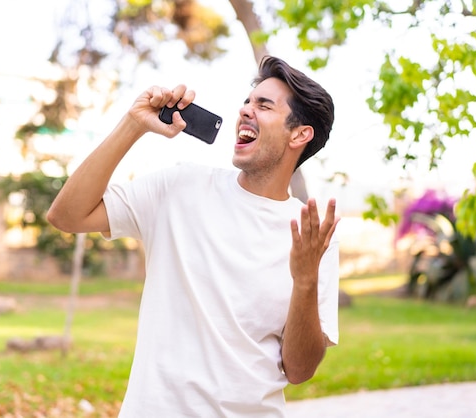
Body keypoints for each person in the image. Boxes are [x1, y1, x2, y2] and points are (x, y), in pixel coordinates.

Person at [47, 55, 340, 417]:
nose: (245, 111)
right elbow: (66, 215)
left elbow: (299, 370)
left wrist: (306, 279)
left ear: (300, 134)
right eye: (247, 102)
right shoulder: (180, 186)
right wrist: (133, 125)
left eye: (263, 106)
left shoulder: (312, 233)